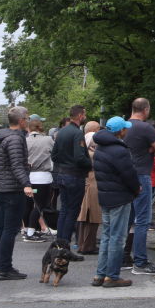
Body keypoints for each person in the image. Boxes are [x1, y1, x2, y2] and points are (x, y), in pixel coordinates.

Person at [92, 116, 141, 288]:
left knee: (106, 236)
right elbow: (129, 174)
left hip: (105, 196)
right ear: (120, 131)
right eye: (125, 128)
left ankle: (100, 274)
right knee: (118, 238)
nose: (127, 131)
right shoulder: (119, 150)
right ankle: (112, 276)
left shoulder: (100, 148)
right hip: (119, 197)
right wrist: (136, 188)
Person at [0, 106, 34, 281]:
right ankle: (5, 268)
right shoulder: (15, 139)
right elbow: (16, 165)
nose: (28, 121)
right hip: (12, 188)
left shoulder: (2, 136)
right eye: (27, 118)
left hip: (1, 187)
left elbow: (10, 163)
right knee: (10, 229)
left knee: (1, 228)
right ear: (21, 120)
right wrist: (26, 184)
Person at [123, 98, 155, 275]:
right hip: (141, 175)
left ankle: (123, 257)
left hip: (124, 175)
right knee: (142, 220)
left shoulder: (122, 126)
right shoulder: (145, 127)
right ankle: (140, 262)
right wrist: (149, 150)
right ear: (146, 110)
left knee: (126, 218)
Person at [52, 104, 91, 251]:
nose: (85, 117)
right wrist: (91, 164)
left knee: (64, 209)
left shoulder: (61, 132)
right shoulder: (77, 133)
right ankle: (65, 246)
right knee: (72, 211)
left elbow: (54, 155)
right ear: (80, 116)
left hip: (61, 174)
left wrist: (64, 162)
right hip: (74, 176)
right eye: (84, 114)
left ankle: (59, 243)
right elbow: (80, 157)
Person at [23, 116, 55, 242]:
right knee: (40, 205)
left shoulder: (25, 140)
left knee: (29, 204)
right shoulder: (47, 139)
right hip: (43, 177)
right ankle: (30, 233)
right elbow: (55, 153)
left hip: (28, 177)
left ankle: (28, 229)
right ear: (40, 127)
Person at [76, 121, 103, 253]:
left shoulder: (85, 152)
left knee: (85, 217)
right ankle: (87, 246)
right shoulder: (93, 155)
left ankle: (84, 244)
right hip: (93, 185)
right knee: (92, 216)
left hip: (88, 184)